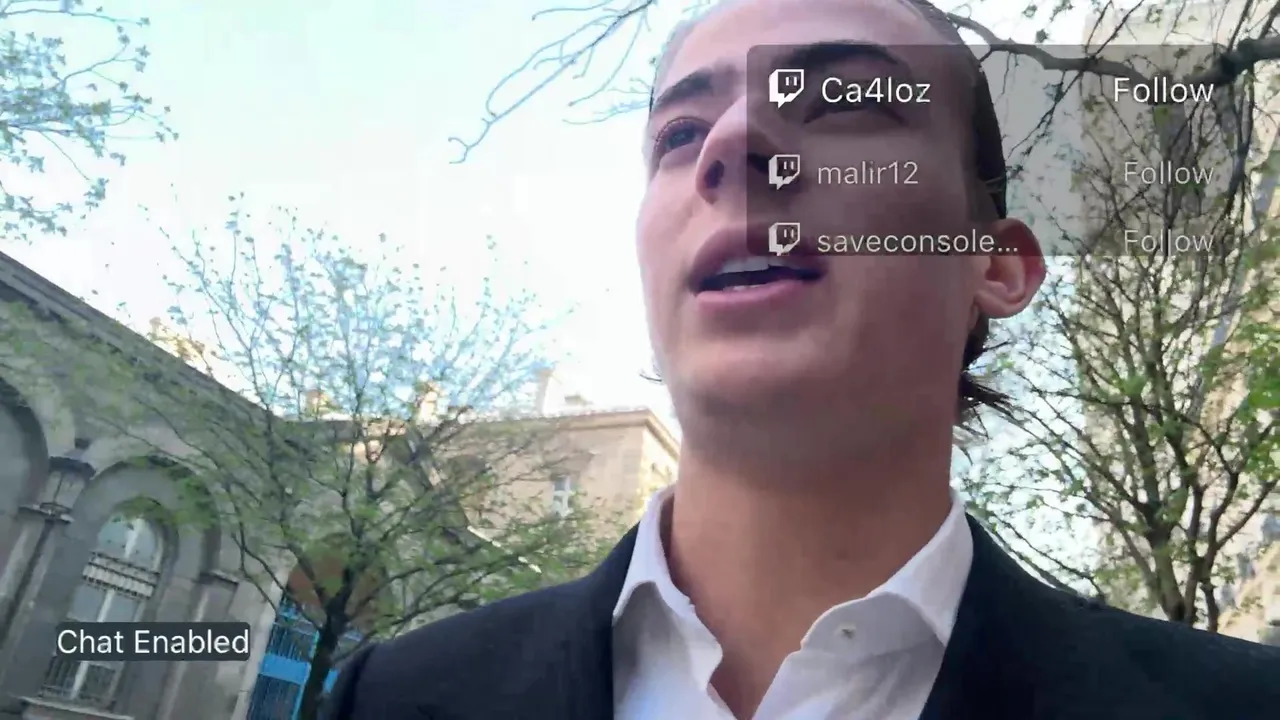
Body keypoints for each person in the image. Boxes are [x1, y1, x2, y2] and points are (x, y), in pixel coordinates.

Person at [324, 0, 1280, 717]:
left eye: (848, 104)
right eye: (680, 133)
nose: (732, 144)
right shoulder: (392, 697)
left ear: (993, 264)